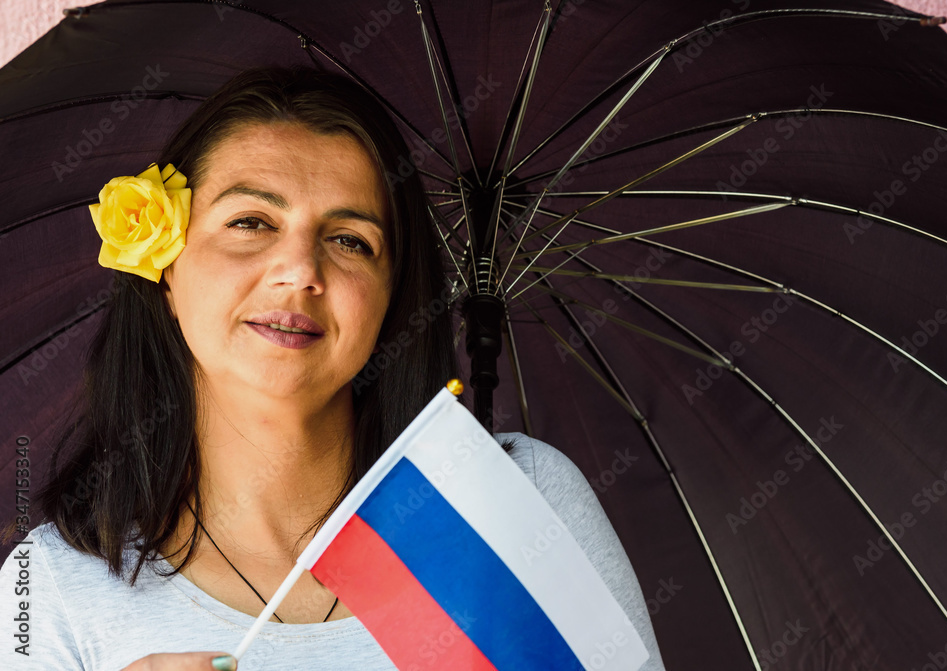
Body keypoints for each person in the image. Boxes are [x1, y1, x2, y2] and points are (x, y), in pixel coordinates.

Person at [0, 66, 665, 671]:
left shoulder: (520, 503)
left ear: (389, 294)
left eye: (349, 239)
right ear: (165, 268)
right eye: (251, 221)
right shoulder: (53, 586)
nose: (300, 271)